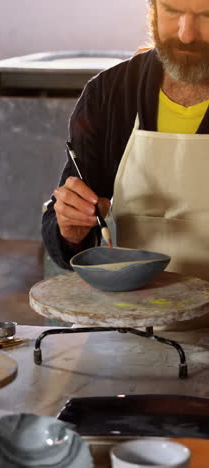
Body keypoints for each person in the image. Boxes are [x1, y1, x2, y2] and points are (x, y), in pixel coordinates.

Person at [42, 0, 209, 285]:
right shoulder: (109, 94)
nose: (186, 34)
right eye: (172, 11)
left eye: (206, 15)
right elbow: (64, 237)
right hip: (129, 315)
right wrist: (70, 228)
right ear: (153, 8)